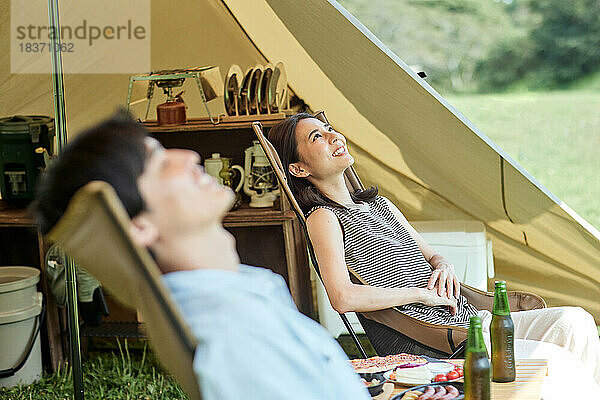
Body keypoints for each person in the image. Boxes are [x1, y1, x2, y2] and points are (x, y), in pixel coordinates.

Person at [33, 112, 371, 400]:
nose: (190, 157)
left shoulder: (234, 299)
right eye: (159, 163)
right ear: (137, 227)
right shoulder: (232, 335)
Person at [268, 112, 600, 384]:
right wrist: (421, 296)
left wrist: (444, 265)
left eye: (329, 129)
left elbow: (431, 254)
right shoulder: (324, 218)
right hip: (439, 337)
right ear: (299, 168)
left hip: (470, 317)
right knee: (567, 330)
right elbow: (343, 297)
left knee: (576, 326)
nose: (333, 136)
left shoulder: (380, 205)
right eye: (317, 138)